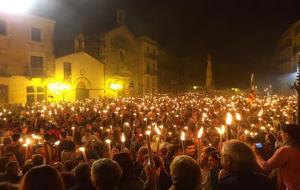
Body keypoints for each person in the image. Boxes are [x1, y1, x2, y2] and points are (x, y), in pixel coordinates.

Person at [255, 124, 300, 190]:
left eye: (281, 133)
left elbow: (266, 166)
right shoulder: (296, 147)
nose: (280, 135)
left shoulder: (285, 150)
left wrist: (257, 154)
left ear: (286, 135)